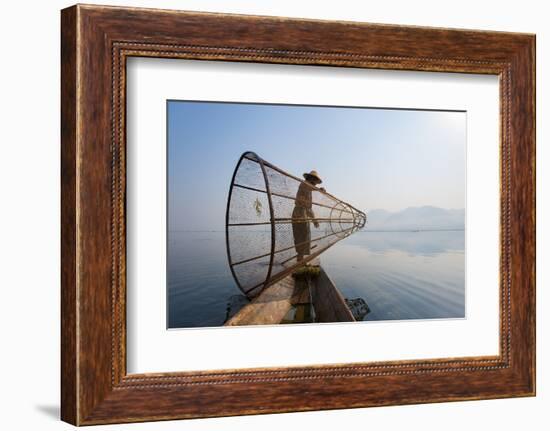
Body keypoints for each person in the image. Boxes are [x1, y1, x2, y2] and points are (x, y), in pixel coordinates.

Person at [292, 170, 323, 262]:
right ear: (310, 179)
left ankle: (300, 257)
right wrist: (319, 190)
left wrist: (314, 220)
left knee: (305, 235)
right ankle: (300, 257)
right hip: (299, 213)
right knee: (301, 235)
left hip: (304, 213)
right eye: (314, 181)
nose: (315, 184)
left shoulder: (309, 192)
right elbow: (308, 186)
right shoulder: (304, 184)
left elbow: (309, 208)